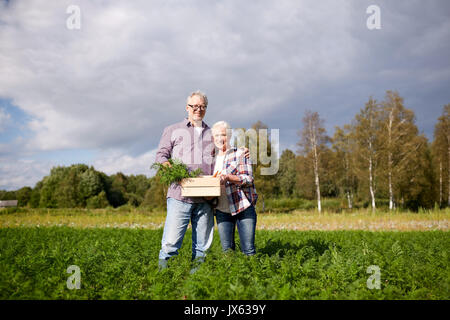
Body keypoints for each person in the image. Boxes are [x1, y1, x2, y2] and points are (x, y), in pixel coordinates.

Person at [155, 91, 215, 271]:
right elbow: (161, 156)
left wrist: (241, 151)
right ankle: (165, 281)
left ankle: (197, 284)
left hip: (205, 198)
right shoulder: (173, 130)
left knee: (202, 248)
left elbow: (223, 157)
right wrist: (173, 171)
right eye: (195, 106)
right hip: (179, 195)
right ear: (187, 108)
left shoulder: (212, 133)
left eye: (202, 106)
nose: (198, 110)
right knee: (171, 244)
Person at [211, 121, 258, 256]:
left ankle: (252, 275)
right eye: (217, 135)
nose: (220, 138)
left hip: (242, 206)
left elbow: (248, 179)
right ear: (213, 138)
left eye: (224, 135)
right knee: (227, 252)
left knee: (248, 250)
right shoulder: (210, 159)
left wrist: (228, 177)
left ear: (230, 135)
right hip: (221, 209)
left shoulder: (240, 153)